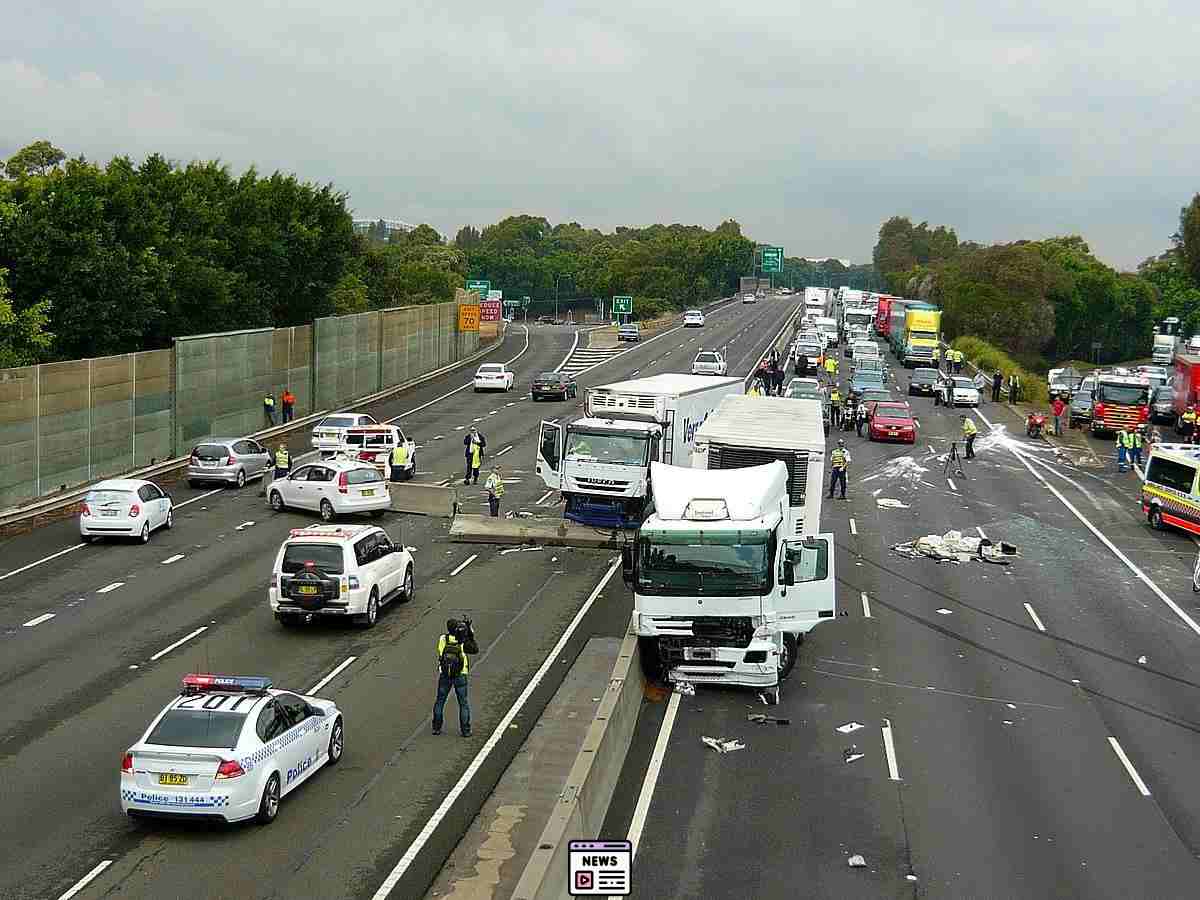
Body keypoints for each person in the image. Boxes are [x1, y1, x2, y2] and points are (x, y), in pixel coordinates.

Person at [432, 618, 479, 737]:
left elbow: (440, 652)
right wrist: (469, 633)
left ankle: (436, 727)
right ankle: (465, 730)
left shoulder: (443, 639)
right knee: (463, 703)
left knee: (440, 700)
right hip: (460, 674)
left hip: (445, 674)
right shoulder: (463, 640)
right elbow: (474, 649)